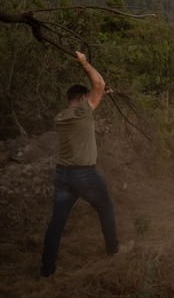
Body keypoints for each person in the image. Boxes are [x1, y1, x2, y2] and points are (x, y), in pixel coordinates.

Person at [41, 51, 130, 277]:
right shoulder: (82, 111)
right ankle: (113, 249)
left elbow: (96, 93)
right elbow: (98, 83)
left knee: (57, 224)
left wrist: (100, 96)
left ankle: (47, 270)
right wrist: (84, 63)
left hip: (62, 176)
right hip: (83, 176)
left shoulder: (62, 116)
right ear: (82, 98)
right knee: (106, 207)